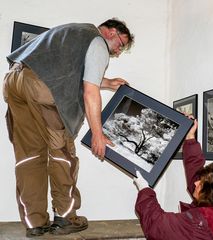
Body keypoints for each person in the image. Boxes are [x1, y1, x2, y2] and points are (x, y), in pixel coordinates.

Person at [3, 18, 134, 237]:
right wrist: (98, 134)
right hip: (41, 88)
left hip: (15, 81)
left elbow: (69, 72)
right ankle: (65, 218)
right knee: (61, 155)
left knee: (29, 156)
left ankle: (34, 222)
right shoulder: (97, 41)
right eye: (121, 44)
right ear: (111, 32)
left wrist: (109, 82)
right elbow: (89, 90)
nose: (118, 52)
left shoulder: (73, 32)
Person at [134, 118, 213, 240]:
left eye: (201, 184)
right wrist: (190, 137)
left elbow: (156, 225)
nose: (196, 182)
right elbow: (196, 175)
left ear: (209, 195)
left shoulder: (197, 225)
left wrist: (144, 189)